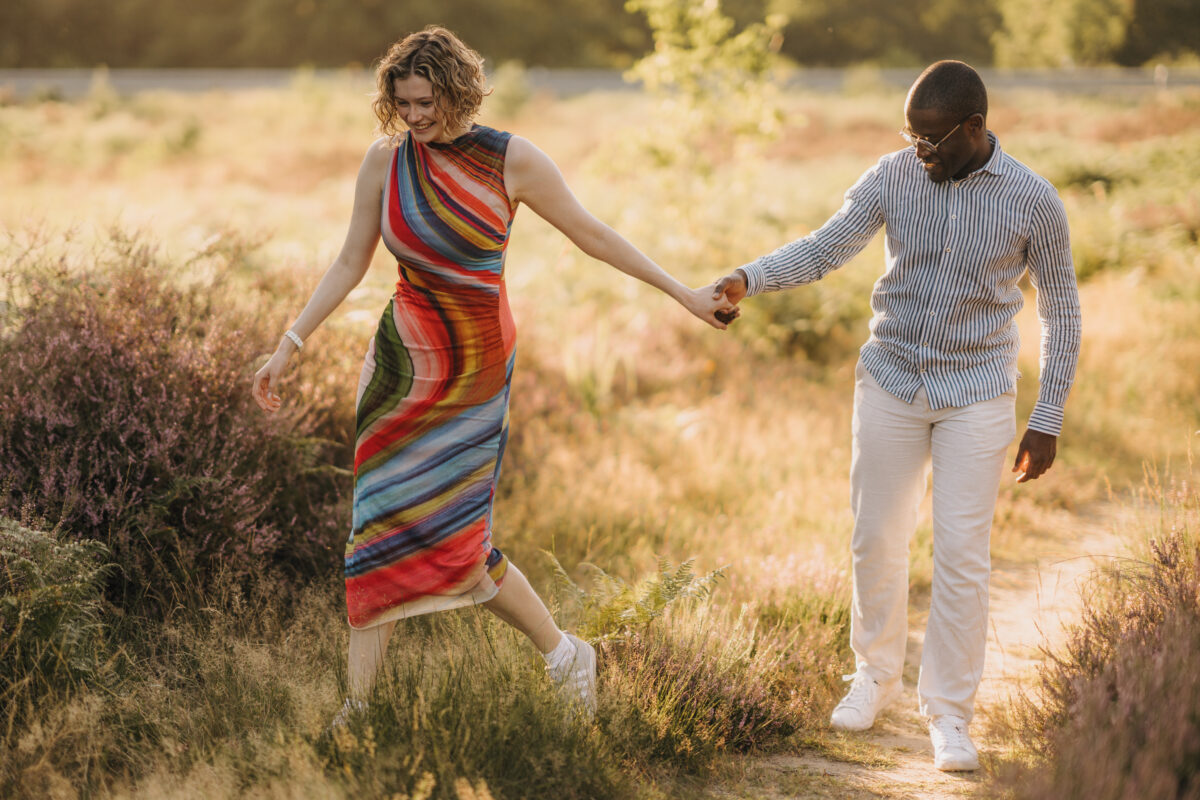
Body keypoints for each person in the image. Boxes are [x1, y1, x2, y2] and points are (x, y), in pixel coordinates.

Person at [252, 26, 738, 724]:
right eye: (404, 103)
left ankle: (564, 654)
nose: (416, 117)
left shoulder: (510, 160)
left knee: (455, 539)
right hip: (398, 368)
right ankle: (359, 708)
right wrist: (289, 343)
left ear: (457, 91)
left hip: (475, 372)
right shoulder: (384, 161)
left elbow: (594, 235)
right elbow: (349, 261)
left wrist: (686, 295)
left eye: (427, 101)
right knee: (376, 528)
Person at [712, 60, 1081, 771]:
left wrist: (1049, 414)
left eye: (933, 140)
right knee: (876, 539)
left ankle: (948, 715)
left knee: (963, 558)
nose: (920, 152)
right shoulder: (893, 175)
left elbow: (1061, 309)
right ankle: (874, 678)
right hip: (890, 379)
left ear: (974, 128)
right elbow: (828, 245)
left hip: (977, 390)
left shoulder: (1034, 199)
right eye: (911, 137)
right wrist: (749, 278)